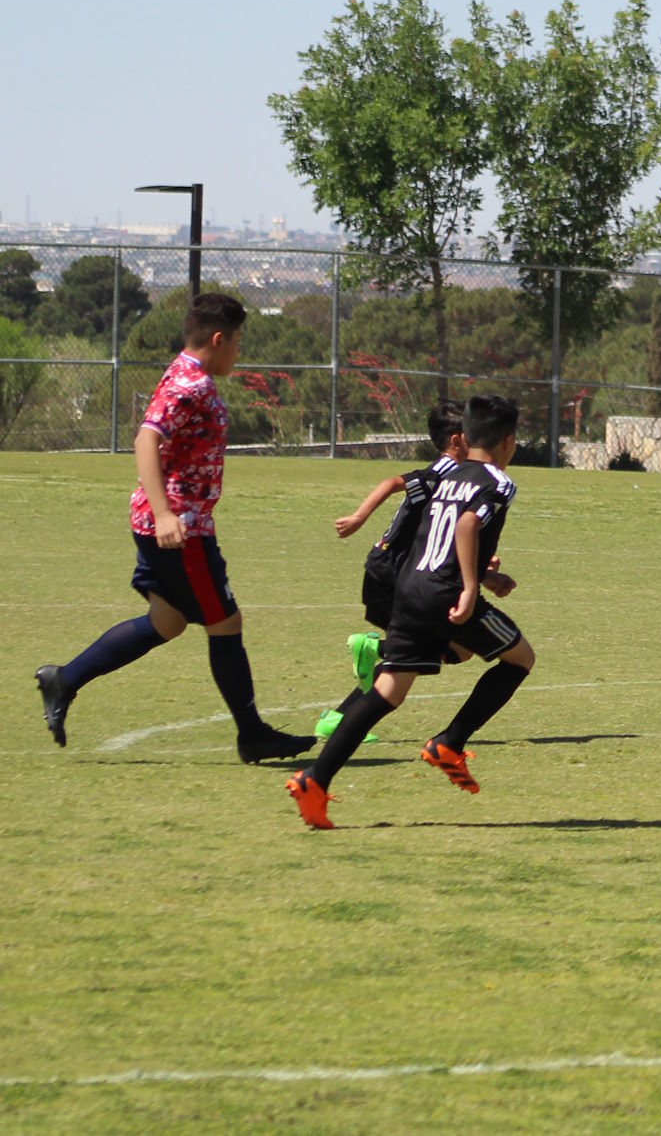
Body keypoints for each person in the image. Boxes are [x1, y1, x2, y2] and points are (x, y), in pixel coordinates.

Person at [33, 294, 316, 762]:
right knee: (225, 622)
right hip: (179, 528)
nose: (239, 351)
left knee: (167, 622)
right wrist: (165, 514)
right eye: (238, 341)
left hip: (171, 522)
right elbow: (146, 440)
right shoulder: (191, 383)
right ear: (219, 339)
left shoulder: (189, 374)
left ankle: (64, 679)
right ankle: (253, 735)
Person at [288, 396, 535, 828]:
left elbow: (434, 534)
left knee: (388, 691)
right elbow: (466, 525)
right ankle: (450, 742)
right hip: (446, 594)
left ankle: (315, 779)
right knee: (520, 659)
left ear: (467, 436)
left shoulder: (448, 475)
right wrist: (472, 586)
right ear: (508, 442)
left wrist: (484, 575)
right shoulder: (499, 482)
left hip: (410, 587)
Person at [316, 400, 472, 741]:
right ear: (457, 440)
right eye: (473, 433)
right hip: (390, 570)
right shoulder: (442, 474)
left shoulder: (460, 477)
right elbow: (391, 482)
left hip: (401, 570)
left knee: (455, 649)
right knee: (434, 648)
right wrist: (358, 517)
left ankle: (339, 718)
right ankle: (371, 651)